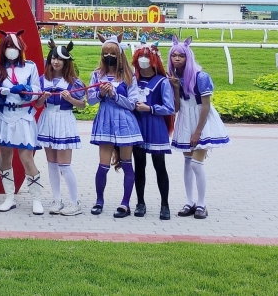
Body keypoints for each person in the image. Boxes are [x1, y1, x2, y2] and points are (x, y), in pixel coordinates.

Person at [169, 36, 230, 220]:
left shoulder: (201, 77)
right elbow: (177, 108)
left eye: (181, 55)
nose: (177, 58)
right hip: (185, 119)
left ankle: (202, 204)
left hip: (201, 121)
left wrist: (197, 131)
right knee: (188, 163)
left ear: (188, 57)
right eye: (174, 55)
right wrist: (176, 88)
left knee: (196, 164)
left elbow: (206, 106)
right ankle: (190, 202)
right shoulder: (174, 78)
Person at [0, 30, 45, 215]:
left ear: (20, 47)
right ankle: (9, 198)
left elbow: (37, 88)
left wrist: (26, 89)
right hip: (5, 116)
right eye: (8, 46)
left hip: (24, 116)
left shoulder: (30, 66)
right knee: (5, 157)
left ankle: (36, 199)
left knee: (27, 158)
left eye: (14, 46)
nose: (11, 50)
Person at [87, 34, 144, 218]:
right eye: (105, 53)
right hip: (105, 120)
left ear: (119, 54)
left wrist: (114, 95)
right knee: (103, 165)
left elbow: (133, 104)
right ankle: (99, 201)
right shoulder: (97, 74)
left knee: (127, 164)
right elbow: (90, 100)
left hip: (125, 121)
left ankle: (125, 204)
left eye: (112, 53)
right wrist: (102, 94)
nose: (108, 56)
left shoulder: (129, 76)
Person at [34, 40, 86, 216]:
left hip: (64, 121)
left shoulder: (74, 82)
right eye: (53, 58)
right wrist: (43, 97)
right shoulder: (43, 80)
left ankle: (74, 202)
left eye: (59, 59)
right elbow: (38, 103)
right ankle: (57, 200)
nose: (55, 62)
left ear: (66, 62)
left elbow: (82, 105)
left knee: (65, 165)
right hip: (48, 118)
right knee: (52, 164)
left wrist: (70, 99)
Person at [131, 42, 175, 220]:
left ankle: (165, 205)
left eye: (147, 57)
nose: (143, 60)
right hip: (138, 125)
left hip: (155, 127)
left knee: (160, 167)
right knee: (139, 166)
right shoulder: (133, 80)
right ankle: (140, 202)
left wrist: (150, 108)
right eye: (140, 56)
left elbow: (170, 108)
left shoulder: (163, 82)